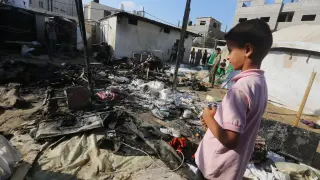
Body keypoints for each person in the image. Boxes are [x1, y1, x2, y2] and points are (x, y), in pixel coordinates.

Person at [195, 19, 273, 180]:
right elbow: (240, 123)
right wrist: (216, 120)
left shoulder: (239, 90)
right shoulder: (259, 84)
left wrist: (208, 118)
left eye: (230, 50)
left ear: (248, 50)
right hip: (232, 169)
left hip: (215, 168)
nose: (228, 57)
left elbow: (230, 140)